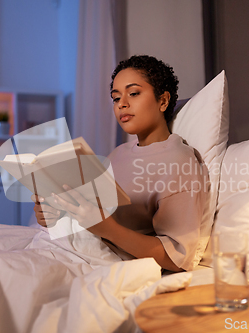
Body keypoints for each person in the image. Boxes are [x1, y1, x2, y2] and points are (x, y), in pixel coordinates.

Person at [33, 55, 209, 272]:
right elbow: (94, 211)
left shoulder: (179, 161)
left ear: (162, 101)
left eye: (133, 93)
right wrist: (54, 213)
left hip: (109, 259)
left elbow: (178, 257)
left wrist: (109, 229)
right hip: (80, 244)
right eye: (116, 98)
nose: (122, 104)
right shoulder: (118, 155)